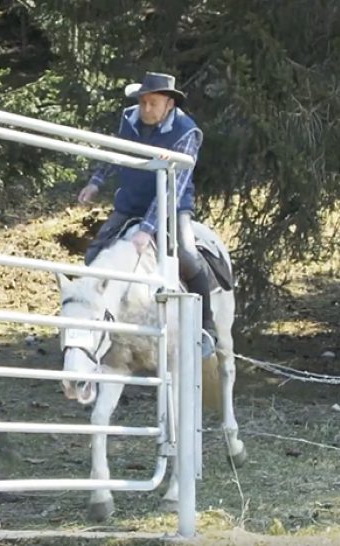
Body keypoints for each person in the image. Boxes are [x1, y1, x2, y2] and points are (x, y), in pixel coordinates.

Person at [77, 71, 217, 357]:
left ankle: (206, 327)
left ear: (169, 104)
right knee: (94, 255)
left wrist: (148, 227)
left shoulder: (187, 132)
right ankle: (97, 324)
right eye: (143, 102)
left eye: (152, 103)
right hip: (129, 203)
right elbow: (116, 152)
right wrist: (95, 183)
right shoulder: (129, 119)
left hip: (173, 207)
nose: (146, 109)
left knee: (188, 255)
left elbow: (172, 187)